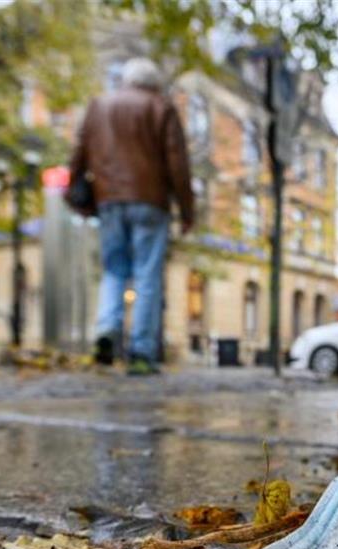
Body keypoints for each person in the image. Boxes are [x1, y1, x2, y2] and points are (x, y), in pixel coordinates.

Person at [69, 58, 195, 375]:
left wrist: (75, 191)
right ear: (154, 83)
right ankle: (141, 351)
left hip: (108, 199)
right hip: (151, 200)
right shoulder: (161, 108)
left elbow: (79, 151)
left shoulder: (100, 106)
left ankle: (106, 331)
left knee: (114, 269)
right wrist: (187, 209)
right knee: (147, 275)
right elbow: (178, 163)